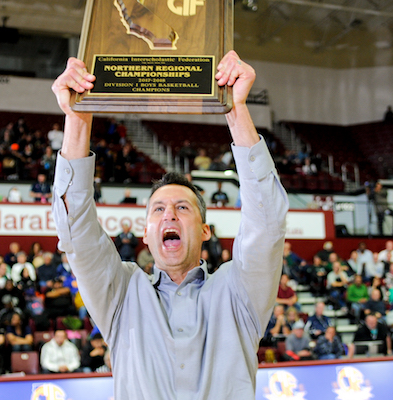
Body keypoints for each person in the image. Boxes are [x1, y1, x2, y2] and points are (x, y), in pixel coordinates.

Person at [51, 52, 288, 399]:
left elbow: (267, 224)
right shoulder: (121, 292)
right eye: (158, 209)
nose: (169, 215)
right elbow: (76, 230)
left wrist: (236, 109)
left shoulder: (238, 291)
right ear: (146, 234)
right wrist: (77, 118)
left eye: (182, 207)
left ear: (206, 231)